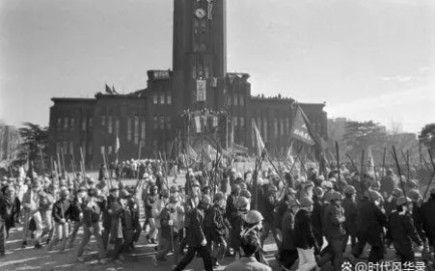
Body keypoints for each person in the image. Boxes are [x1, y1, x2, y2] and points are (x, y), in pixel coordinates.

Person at [172, 195, 213, 271]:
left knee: (206, 256)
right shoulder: (196, 212)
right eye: (207, 204)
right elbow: (197, 227)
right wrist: (202, 238)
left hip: (197, 240)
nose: (208, 206)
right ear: (202, 204)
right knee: (189, 258)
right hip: (195, 240)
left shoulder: (200, 210)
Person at [387, 196, 423, 263]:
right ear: (404, 205)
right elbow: (412, 231)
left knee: (403, 262)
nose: (411, 206)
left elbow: (389, 230)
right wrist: (419, 243)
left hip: (396, 244)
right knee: (410, 264)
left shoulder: (392, 215)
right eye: (410, 204)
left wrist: (388, 242)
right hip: (405, 245)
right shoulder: (406, 216)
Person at [294, 197, 320, 271]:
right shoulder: (306, 216)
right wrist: (315, 244)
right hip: (305, 243)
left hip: (298, 242)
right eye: (311, 205)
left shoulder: (298, 213)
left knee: (303, 262)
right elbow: (309, 233)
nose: (312, 206)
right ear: (308, 206)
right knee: (312, 263)